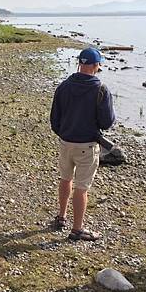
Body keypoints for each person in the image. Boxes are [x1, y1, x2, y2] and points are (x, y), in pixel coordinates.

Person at [50, 47, 115, 241]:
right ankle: (77, 229)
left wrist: (64, 133)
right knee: (82, 187)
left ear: (80, 63)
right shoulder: (101, 89)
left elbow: (54, 119)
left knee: (65, 178)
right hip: (87, 144)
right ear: (96, 66)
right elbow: (107, 122)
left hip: (65, 141)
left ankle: (61, 217)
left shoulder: (64, 86)